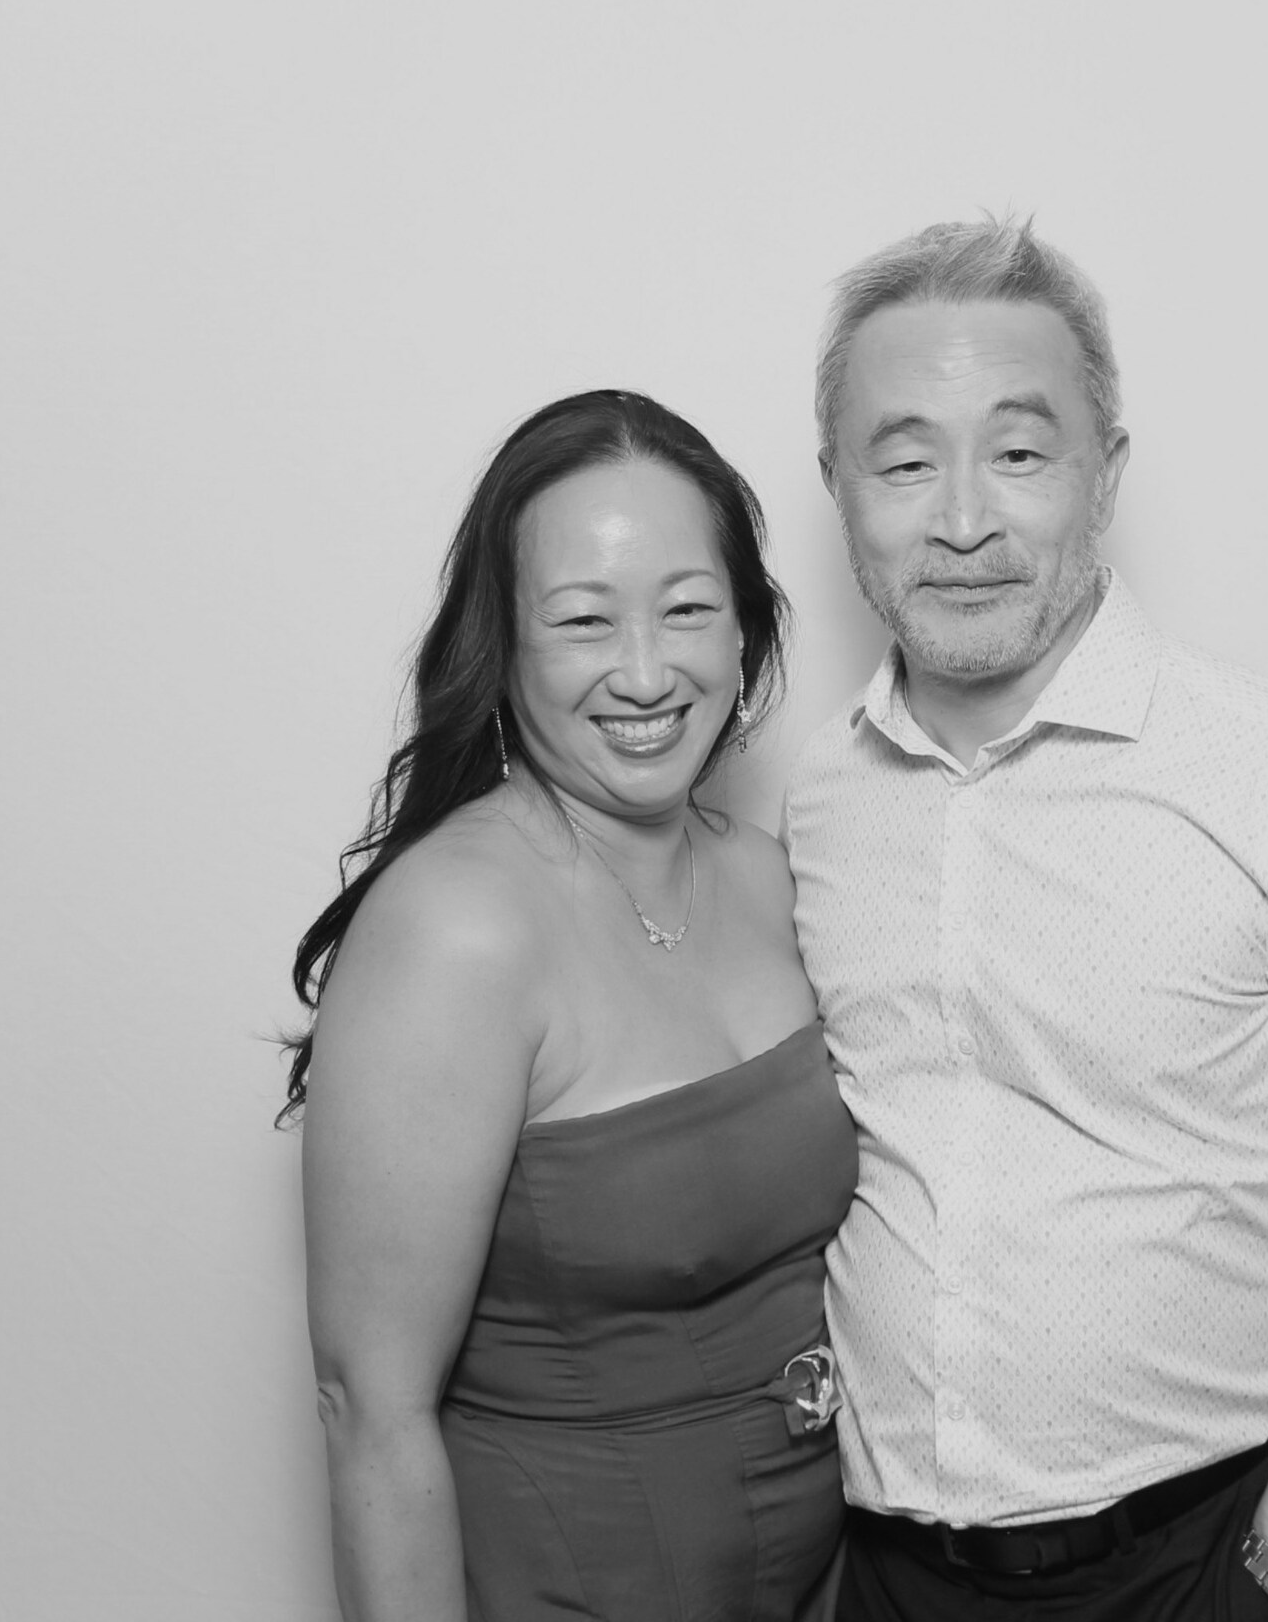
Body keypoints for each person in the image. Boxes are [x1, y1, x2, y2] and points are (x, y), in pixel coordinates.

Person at [783, 220, 1268, 1621]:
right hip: (883, 1574)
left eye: (1019, 453)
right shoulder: (817, 803)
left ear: (1104, 474)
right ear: (839, 488)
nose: (962, 521)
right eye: (905, 462)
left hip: (1191, 1563)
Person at [288, 390, 856, 1622]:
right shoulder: (457, 929)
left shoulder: (773, 877)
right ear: (503, 647)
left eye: (688, 609)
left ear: (746, 626)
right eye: (584, 621)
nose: (646, 674)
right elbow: (370, 1408)